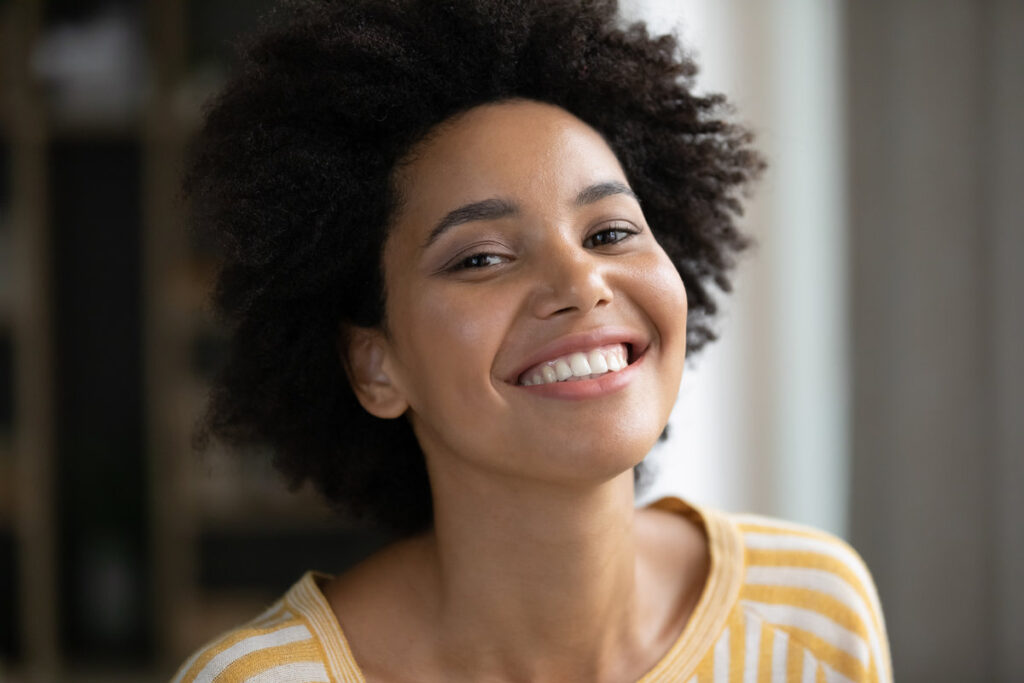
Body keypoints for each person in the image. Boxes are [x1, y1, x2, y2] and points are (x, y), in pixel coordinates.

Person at [172, 0, 891, 681]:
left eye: (610, 232)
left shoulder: (812, 611)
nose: (581, 282)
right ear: (375, 365)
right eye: (481, 257)